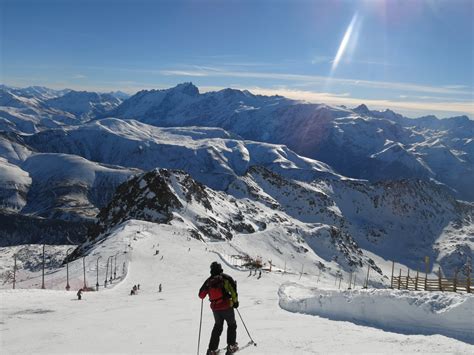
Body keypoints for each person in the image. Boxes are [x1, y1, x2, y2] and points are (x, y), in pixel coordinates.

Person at [199, 262, 239, 355]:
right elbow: (233, 290)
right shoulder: (226, 278)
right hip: (226, 306)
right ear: (220, 268)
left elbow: (201, 295)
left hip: (215, 309)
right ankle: (231, 346)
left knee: (218, 327)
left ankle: (212, 350)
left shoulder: (209, 281)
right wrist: (235, 302)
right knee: (232, 325)